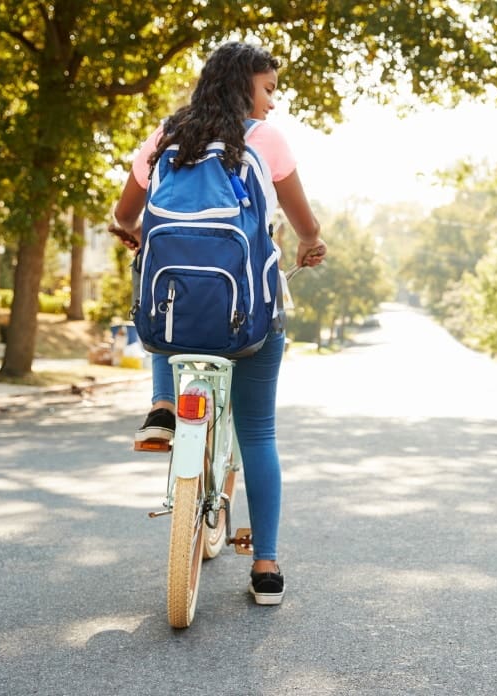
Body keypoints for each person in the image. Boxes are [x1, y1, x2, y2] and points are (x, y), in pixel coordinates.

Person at [110, 41, 326, 605]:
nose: (273, 103)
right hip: (251, 315)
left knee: (165, 294)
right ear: (243, 87)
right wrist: (310, 241)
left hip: (176, 321)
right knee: (258, 432)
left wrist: (131, 231)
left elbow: (124, 213)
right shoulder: (265, 140)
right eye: (268, 89)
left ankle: (163, 405)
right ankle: (266, 567)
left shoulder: (166, 137)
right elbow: (303, 220)